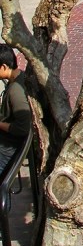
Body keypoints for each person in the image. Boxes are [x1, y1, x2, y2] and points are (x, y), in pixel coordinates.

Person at [0, 45, 31, 174]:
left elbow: (22, 128)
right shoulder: (18, 79)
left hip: (6, 151)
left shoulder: (16, 91)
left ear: (3, 67)